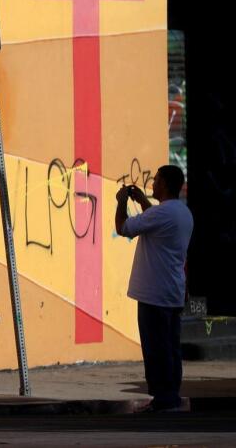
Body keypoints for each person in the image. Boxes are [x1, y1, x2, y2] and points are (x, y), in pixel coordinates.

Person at [115, 165, 194, 412]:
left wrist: (121, 202)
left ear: (165, 185)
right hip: (172, 291)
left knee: (156, 348)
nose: (153, 184)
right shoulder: (182, 213)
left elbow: (123, 228)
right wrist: (142, 200)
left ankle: (163, 399)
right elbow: (156, 221)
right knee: (170, 346)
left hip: (154, 293)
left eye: (156, 180)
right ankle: (170, 395)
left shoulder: (161, 214)